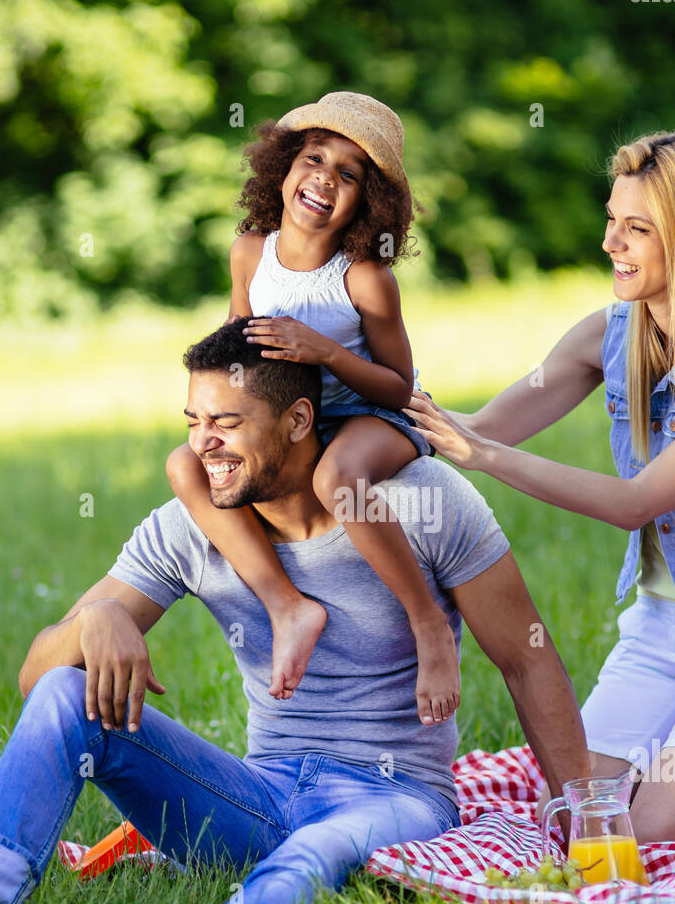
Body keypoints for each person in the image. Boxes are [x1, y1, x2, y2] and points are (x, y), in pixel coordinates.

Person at [0, 320, 590, 904]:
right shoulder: (188, 528)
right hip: (258, 795)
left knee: (320, 845)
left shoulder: (425, 505)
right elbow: (36, 679)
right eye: (194, 420)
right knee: (65, 692)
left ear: (296, 421)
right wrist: (99, 622)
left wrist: (586, 819)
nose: (203, 445)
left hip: (395, 794)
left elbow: (527, 659)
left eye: (227, 422)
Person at [407, 131, 675, 843]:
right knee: (578, 821)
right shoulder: (610, 332)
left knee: (655, 830)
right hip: (658, 633)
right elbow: (485, 425)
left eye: (637, 230)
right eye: (611, 221)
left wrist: (482, 458)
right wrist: (378, 395)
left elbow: (635, 502)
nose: (611, 244)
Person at [167, 91, 460, 727]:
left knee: (336, 480)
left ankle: (427, 623)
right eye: (314, 158)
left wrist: (323, 350)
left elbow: (398, 384)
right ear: (284, 168)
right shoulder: (250, 252)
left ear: (369, 200)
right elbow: (236, 351)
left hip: (369, 418)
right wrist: (219, 421)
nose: (324, 180)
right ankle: (286, 606)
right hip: (291, 422)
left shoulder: (363, 279)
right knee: (183, 466)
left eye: (348, 174)